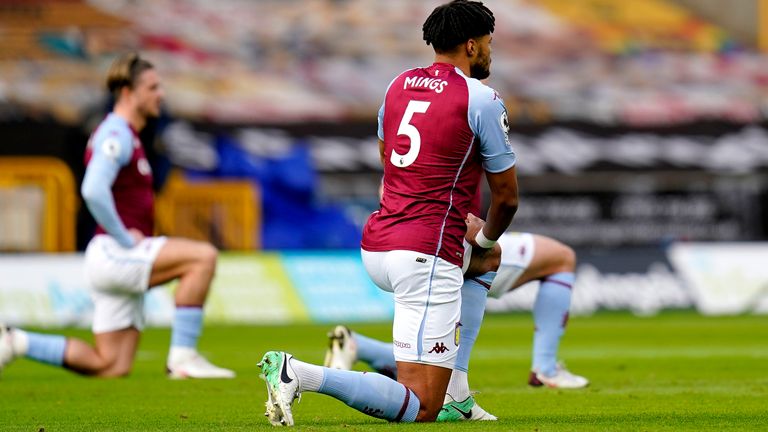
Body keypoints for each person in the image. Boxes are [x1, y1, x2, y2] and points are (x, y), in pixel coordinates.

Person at [256, 0, 518, 425]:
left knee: (487, 260)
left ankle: (459, 392)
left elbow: (387, 157)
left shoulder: (398, 85)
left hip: (378, 242)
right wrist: (482, 234)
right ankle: (298, 374)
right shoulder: (482, 99)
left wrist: (477, 243)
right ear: (471, 46)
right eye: (489, 42)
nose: (490, 51)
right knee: (421, 406)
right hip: (425, 254)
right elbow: (506, 199)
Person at [0, 53, 233, 380]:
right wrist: (125, 237)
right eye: (152, 87)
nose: (160, 94)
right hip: (115, 252)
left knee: (110, 364)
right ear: (127, 92)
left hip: (109, 257)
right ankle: (183, 357)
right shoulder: (116, 134)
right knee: (202, 258)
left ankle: (16, 341)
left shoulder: (124, 134)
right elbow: (93, 189)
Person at [324, 214, 589, 421]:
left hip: (394, 245)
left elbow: (388, 183)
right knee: (561, 257)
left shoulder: (394, 145)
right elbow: (506, 194)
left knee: (425, 351)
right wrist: (486, 236)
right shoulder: (460, 142)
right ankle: (544, 369)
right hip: (449, 239)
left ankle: (355, 344)